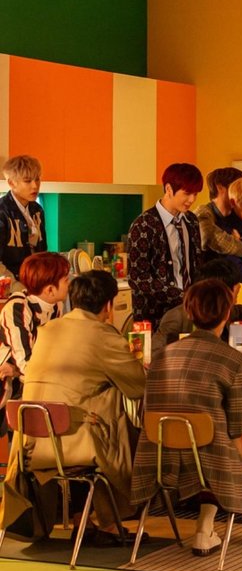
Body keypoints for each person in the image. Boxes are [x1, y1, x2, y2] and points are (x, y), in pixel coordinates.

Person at [0, 270, 146, 544]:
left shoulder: (47, 331)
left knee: (87, 407)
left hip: (31, 444)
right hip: (75, 442)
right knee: (117, 418)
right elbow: (138, 386)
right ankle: (111, 520)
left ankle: (86, 519)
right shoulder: (103, 335)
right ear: (108, 305)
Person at [130, 278, 242, 556]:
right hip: (210, 459)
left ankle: (207, 527)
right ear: (227, 313)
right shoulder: (234, 360)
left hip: (158, 457)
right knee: (225, 443)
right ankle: (222, 520)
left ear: (188, 312)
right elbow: (238, 426)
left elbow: (145, 410)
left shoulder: (160, 357)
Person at [152, 257, 242, 355]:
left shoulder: (221, 310)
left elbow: (240, 311)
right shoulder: (177, 317)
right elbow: (155, 356)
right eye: (235, 285)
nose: (239, 287)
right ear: (222, 290)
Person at [127, 162, 204, 331]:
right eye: (187, 193)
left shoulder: (191, 221)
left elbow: (197, 264)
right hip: (154, 317)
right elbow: (137, 277)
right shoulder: (143, 225)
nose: (192, 200)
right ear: (168, 189)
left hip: (190, 312)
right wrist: (181, 296)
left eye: (195, 194)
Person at [0, 252, 70, 433]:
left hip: (27, 384)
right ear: (50, 290)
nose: (69, 284)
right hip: (8, 388)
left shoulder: (55, 306)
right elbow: (26, 364)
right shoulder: (18, 308)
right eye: (65, 280)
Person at [0, 155, 47, 291]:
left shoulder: (37, 210)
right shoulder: (2, 211)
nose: (35, 186)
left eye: (37, 179)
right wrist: (15, 286)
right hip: (9, 287)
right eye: (27, 181)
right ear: (11, 183)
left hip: (34, 283)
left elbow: (42, 251)